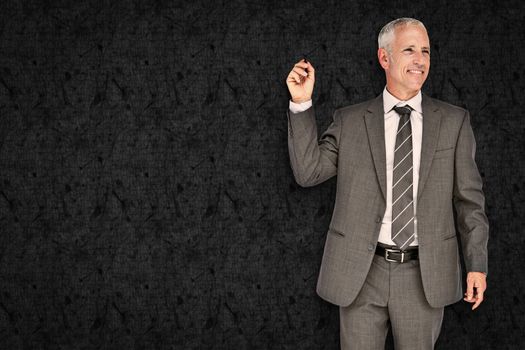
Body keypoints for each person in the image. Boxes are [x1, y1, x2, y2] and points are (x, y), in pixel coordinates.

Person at [285, 18, 488, 349]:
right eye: (409, 50)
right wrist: (301, 103)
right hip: (360, 274)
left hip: (424, 276)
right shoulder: (350, 121)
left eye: (425, 51)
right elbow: (308, 172)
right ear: (384, 58)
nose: (420, 60)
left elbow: (470, 201)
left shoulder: (454, 121)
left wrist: (476, 265)